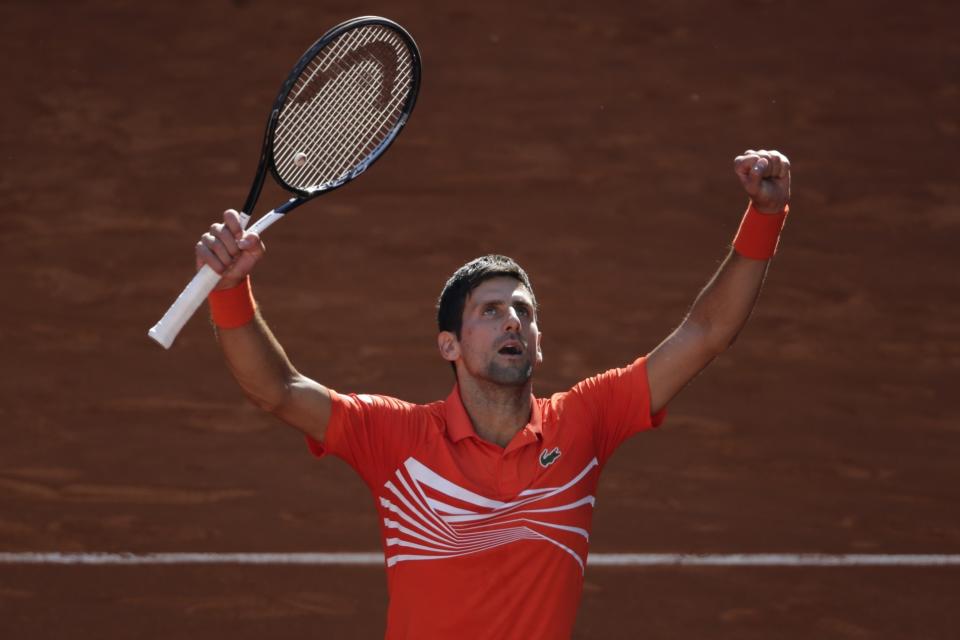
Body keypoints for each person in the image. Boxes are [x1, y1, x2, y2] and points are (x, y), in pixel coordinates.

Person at [194, 149, 791, 639]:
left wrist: (766, 213)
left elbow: (707, 333)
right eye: (490, 310)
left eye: (523, 312)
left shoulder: (585, 422)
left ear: (537, 343)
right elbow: (278, 390)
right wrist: (230, 290)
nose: (512, 321)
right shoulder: (395, 437)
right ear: (449, 346)